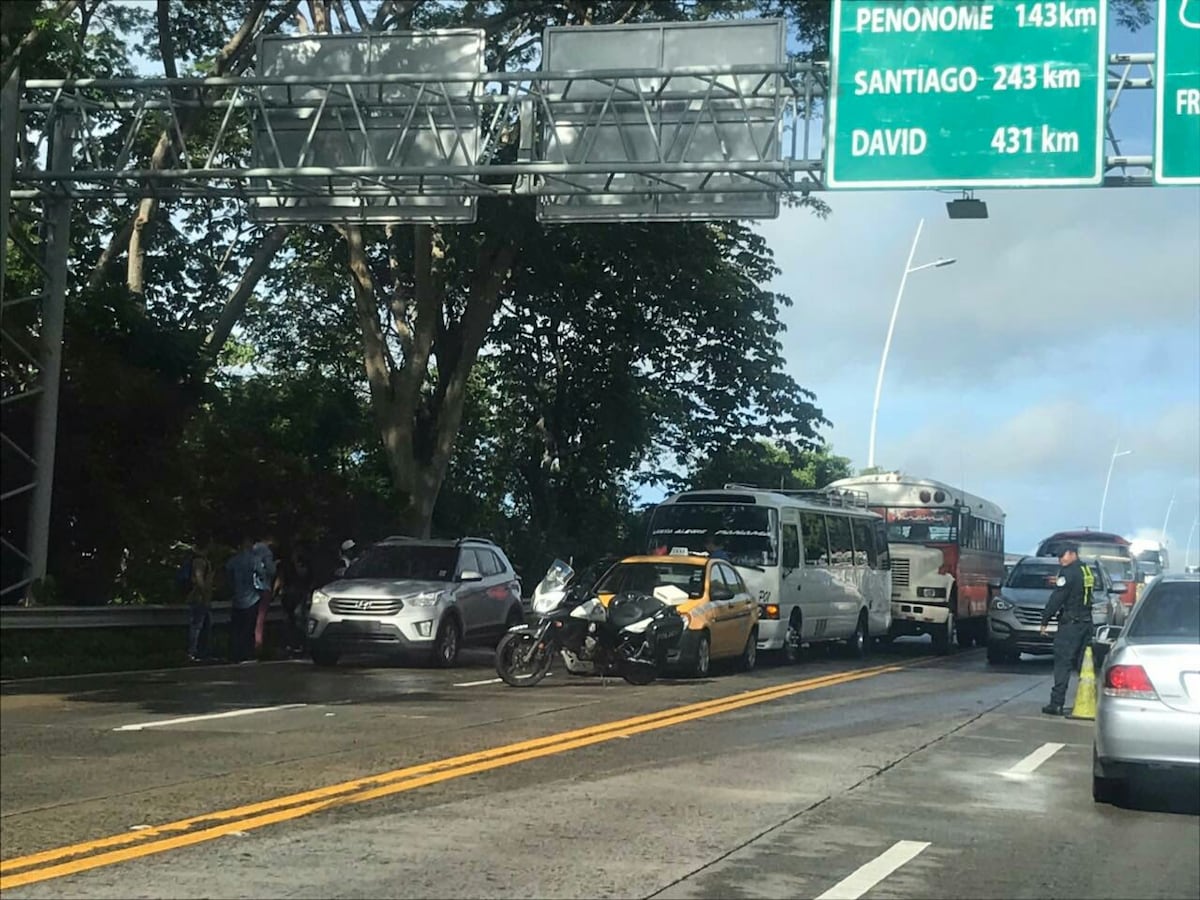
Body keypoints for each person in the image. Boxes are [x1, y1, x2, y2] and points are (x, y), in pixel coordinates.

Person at [1040, 543, 1096, 716]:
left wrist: (1045, 619)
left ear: (1072, 554)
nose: (1060, 560)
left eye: (1062, 555)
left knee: (1062, 663)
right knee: (1084, 665)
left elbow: (1058, 598)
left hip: (1071, 624)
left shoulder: (1068, 572)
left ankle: (1056, 703)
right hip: (1086, 623)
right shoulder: (1086, 570)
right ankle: (1089, 701)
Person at [225, 537, 258, 663]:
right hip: (252, 598)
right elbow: (265, 574)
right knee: (249, 628)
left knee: (236, 628)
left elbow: (228, 576)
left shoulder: (233, 560)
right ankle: (247, 654)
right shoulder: (254, 560)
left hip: (237, 598)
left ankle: (234, 654)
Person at [185, 543, 214, 662]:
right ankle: (193, 652)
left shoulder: (200, 560)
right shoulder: (199, 561)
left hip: (201, 598)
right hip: (198, 598)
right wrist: (205, 595)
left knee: (205, 626)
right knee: (197, 626)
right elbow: (199, 579)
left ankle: (203, 652)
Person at [252, 534, 278, 658]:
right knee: (260, 619)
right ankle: (258, 646)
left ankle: (248, 645)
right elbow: (271, 570)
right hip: (264, 586)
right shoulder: (266, 552)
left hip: (251, 588)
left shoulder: (251, 550)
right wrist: (275, 565)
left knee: (251, 618)